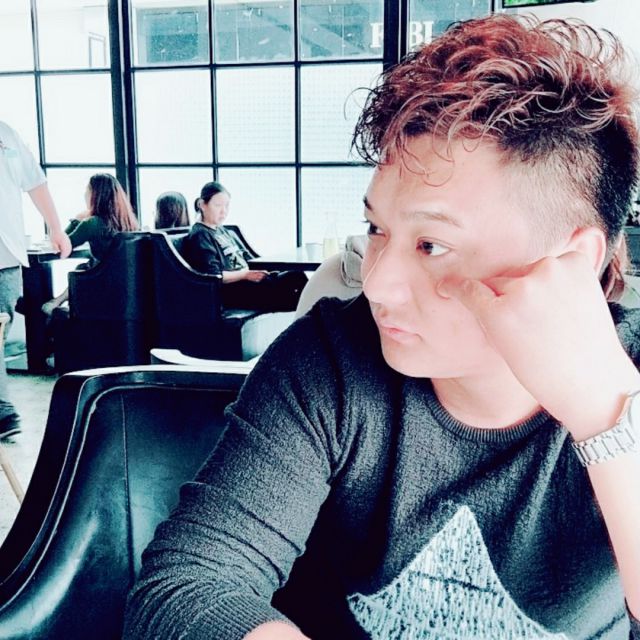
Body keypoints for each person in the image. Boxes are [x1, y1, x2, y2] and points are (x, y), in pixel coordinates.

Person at [124, 15, 640, 640]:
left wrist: (607, 417)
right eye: (377, 229)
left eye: (431, 244)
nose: (376, 283)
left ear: (572, 261)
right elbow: (187, 587)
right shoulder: (330, 361)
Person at [0, 120, 71, 440]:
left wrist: (56, 228)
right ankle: (2, 410)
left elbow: (35, 182)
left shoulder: (6, 134)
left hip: (7, 256)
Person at [180, 181, 307, 312]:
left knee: (297, 280)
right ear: (202, 205)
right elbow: (214, 275)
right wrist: (245, 275)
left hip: (250, 283)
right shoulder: (200, 234)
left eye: (226, 206)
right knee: (295, 280)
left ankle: (309, 320)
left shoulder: (221, 230)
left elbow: (244, 257)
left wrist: (260, 270)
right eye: (218, 205)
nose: (223, 211)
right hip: (236, 291)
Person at [41, 173, 138, 314]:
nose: (84, 194)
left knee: (82, 268)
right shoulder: (129, 222)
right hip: (126, 288)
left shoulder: (93, 223)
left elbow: (63, 244)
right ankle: (57, 301)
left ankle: (54, 304)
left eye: (88, 190)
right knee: (84, 266)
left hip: (101, 285)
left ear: (96, 194)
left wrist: (76, 220)